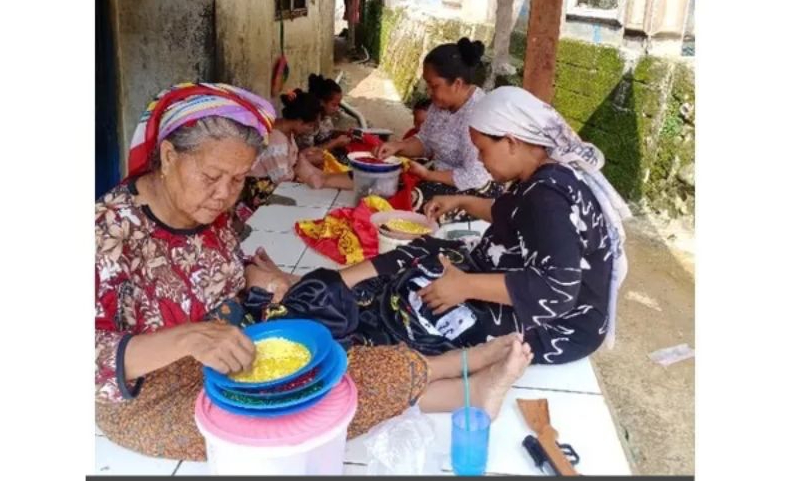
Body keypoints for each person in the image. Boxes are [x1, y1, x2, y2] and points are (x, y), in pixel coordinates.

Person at [95, 81, 533, 462]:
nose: (224, 194)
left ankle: (459, 378)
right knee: (305, 411)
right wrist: (187, 338)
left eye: (238, 179)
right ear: (168, 155)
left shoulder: (207, 208)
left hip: (231, 348)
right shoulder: (107, 231)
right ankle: (461, 378)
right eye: (212, 176)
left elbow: (202, 272)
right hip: (155, 395)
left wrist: (254, 278)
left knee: (332, 350)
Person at [256, 86, 631, 365]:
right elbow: (512, 215)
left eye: (483, 150)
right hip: (517, 280)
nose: (480, 161)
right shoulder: (541, 176)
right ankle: (330, 285)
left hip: (560, 326)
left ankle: (336, 311)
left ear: (512, 142)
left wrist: (466, 285)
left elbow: (556, 291)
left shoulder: (549, 196)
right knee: (429, 250)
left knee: (419, 313)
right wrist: (463, 201)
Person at [374, 38, 500, 220]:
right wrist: (398, 146)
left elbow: (474, 175)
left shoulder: (477, 114)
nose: (429, 92)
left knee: (413, 202)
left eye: (433, 86)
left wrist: (429, 175)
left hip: (474, 190)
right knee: (386, 182)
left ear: (457, 84)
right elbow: (425, 141)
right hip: (438, 175)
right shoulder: (440, 105)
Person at [244, 89, 353, 204]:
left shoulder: (287, 131)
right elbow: (283, 179)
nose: (310, 130)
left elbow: (288, 160)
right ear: (300, 121)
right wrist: (306, 162)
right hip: (264, 191)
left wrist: (303, 156)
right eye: (310, 126)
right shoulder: (275, 140)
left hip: (280, 183)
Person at [299, 73, 352, 165]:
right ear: (322, 102)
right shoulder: (310, 123)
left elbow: (327, 133)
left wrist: (345, 133)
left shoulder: (326, 116)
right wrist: (335, 143)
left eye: (338, 105)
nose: (337, 108)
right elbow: (308, 154)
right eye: (334, 105)